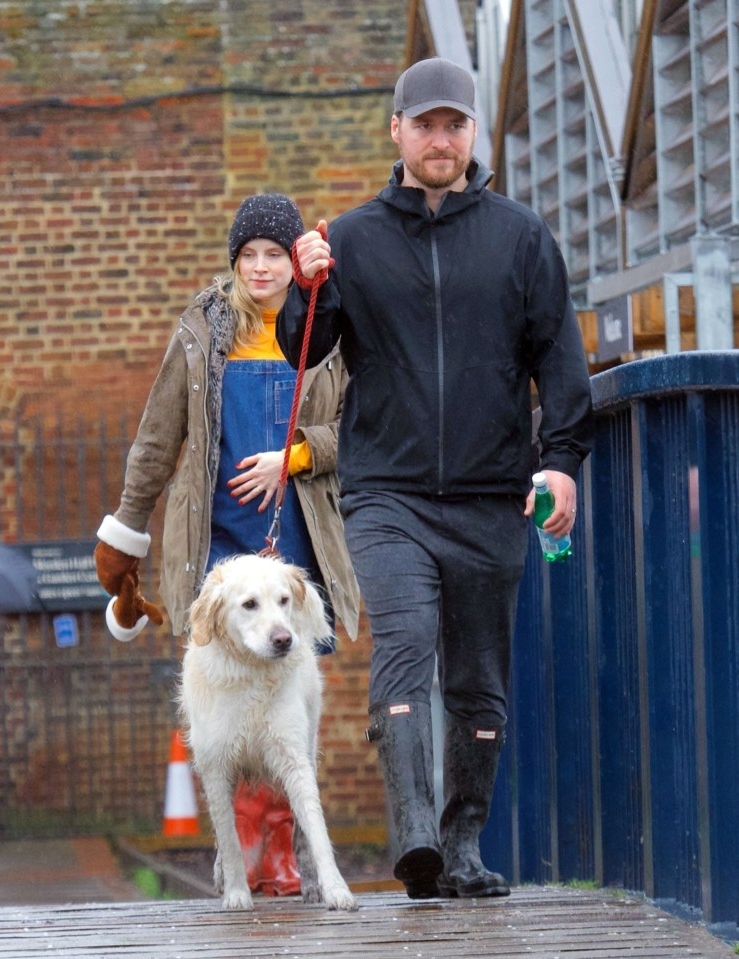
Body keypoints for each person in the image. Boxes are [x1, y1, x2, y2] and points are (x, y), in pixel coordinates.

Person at [277, 58, 593, 900]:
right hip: (388, 493)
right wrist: (304, 286)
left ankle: (459, 845)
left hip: (493, 495)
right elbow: (302, 342)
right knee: (406, 651)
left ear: (472, 133)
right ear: (397, 132)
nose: (440, 139)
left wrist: (560, 462)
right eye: (425, 125)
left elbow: (559, 359)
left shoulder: (521, 237)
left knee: (478, 678)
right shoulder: (349, 238)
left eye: (454, 124)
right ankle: (414, 835)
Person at [94, 192, 360, 894]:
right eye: (251, 256)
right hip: (217, 539)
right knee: (224, 696)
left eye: (276, 254)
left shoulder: (328, 332)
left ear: (294, 261)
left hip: (297, 536)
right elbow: (158, 437)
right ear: (234, 263)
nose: (264, 267)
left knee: (287, 694)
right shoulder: (199, 333)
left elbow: (365, 431)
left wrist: (296, 456)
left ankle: (277, 846)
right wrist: (129, 524)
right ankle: (238, 842)